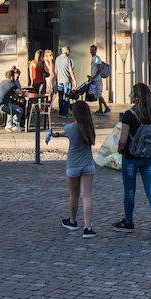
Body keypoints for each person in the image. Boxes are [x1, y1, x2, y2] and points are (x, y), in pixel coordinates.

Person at [112, 82, 151, 240]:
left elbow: (123, 140)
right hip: (149, 158)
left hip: (130, 157)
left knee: (129, 190)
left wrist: (120, 149)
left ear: (136, 97)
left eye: (131, 93)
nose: (130, 96)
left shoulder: (129, 115)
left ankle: (128, 221)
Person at [51, 101, 97, 238]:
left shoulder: (69, 127)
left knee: (73, 195)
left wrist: (54, 134)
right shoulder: (90, 127)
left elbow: (65, 133)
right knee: (87, 195)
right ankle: (88, 228)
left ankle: (73, 221)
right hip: (88, 164)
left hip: (73, 165)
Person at [55, 45, 77, 119]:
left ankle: (60, 112)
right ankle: (65, 113)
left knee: (60, 97)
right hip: (66, 80)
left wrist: (56, 80)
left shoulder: (57, 59)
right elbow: (71, 71)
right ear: (67, 52)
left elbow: (56, 71)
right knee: (67, 97)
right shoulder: (68, 59)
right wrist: (74, 80)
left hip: (59, 81)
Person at [88, 44, 110, 115]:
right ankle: (100, 108)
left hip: (97, 79)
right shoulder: (93, 58)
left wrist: (93, 77)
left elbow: (99, 69)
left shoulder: (97, 59)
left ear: (96, 51)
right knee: (97, 95)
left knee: (99, 95)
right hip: (95, 79)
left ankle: (106, 107)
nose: (92, 51)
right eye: (91, 50)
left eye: (93, 50)